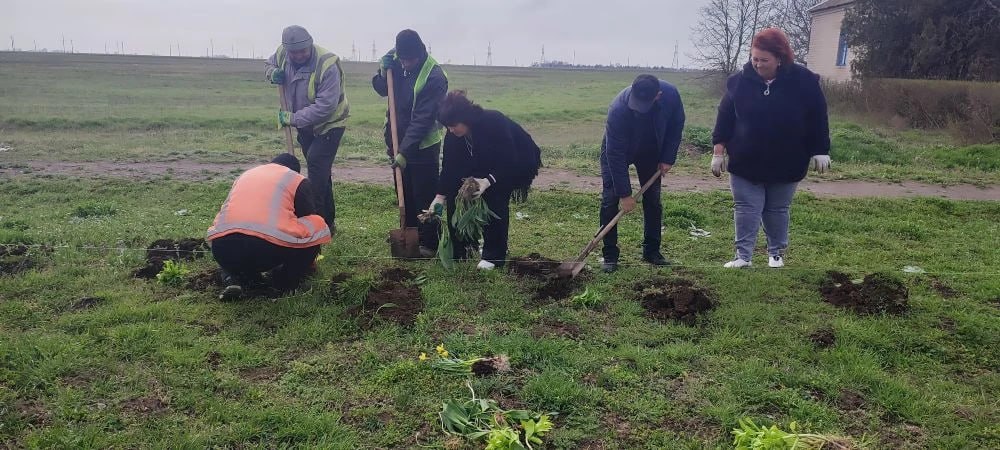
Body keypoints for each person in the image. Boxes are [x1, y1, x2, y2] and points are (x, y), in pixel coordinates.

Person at [710, 27, 831, 269]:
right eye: (754, 58)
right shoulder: (738, 82)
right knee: (746, 208)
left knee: (777, 209)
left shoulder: (804, 81)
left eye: (764, 60)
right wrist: (718, 151)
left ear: (780, 59)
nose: (757, 64)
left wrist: (821, 149)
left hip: (787, 159)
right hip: (746, 159)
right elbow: (724, 117)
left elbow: (818, 117)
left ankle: (775, 254)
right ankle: (743, 257)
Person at [425, 90, 541, 270]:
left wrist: (488, 181)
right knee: (459, 194)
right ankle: (462, 249)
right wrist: (440, 197)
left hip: (517, 160)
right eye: (447, 126)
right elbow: (450, 167)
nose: (451, 130)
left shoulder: (493, 122)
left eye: (454, 125)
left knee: (495, 199)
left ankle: (494, 256)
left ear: (466, 118)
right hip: (483, 161)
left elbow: (508, 158)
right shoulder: (453, 134)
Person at [207, 154, 332, 300]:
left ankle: (236, 279)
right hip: (266, 250)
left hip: (222, 249)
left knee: (235, 232)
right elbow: (306, 215)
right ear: (294, 170)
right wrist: (306, 262)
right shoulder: (295, 179)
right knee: (315, 223)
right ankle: (285, 282)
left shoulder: (246, 175)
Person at [372, 29, 448, 257]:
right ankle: (408, 231)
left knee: (423, 192)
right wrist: (382, 72)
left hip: (423, 144)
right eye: (402, 59)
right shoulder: (395, 59)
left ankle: (429, 241)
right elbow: (382, 89)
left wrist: (405, 151)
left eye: (409, 60)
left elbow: (422, 120)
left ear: (421, 52)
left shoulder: (434, 76)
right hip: (396, 139)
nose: (405, 64)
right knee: (403, 188)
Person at [265, 25, 349, 231]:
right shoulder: (282, 53)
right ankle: (328, 222)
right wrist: (272, 73)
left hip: (330, 124)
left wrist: (293, 118)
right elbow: (268, 64)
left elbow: (326, 106)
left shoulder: (327, 63)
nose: (300, 55)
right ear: (287, 49)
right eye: (295, 52)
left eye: (304, 50)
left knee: (316, 169)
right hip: (304, 125)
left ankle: (316, 226)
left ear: (310, 44)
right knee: (321, 172)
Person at [599, 74, 686, 273]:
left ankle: (651, 251)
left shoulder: (671, 96)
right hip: (618, 149)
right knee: (610, 200)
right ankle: (610, 255)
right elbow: (615, 154)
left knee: (653, 200)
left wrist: (667, 157)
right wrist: (625, 194)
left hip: (651, 151)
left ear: (658, 96)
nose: (638, 108)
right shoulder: (618, 110)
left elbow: (676, 125)